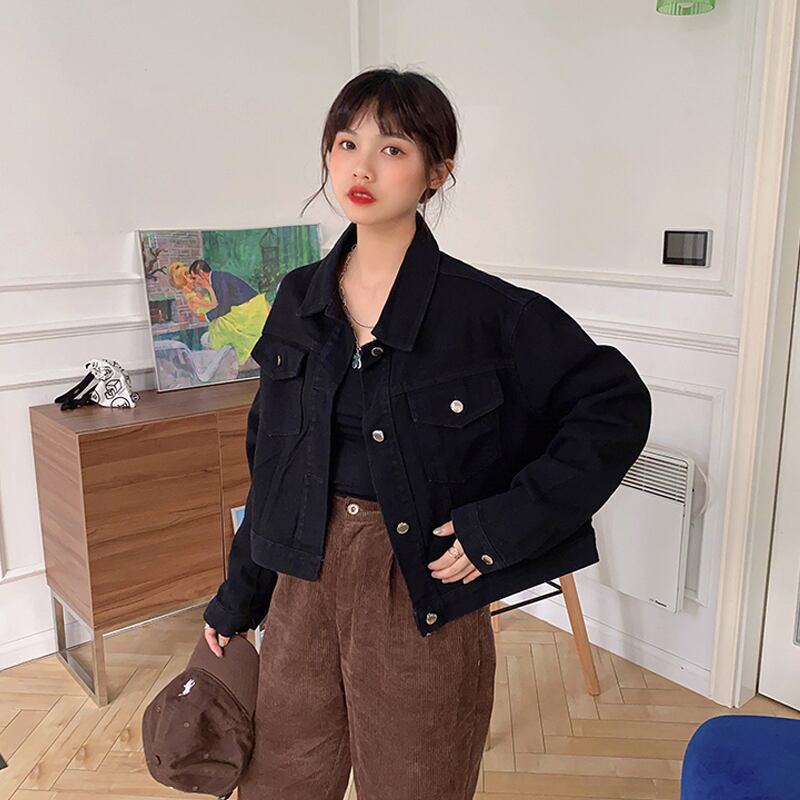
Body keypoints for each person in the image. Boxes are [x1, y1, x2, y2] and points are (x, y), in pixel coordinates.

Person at [203, 67, 652, 800]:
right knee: (281, 782)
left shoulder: (488, 313)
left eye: (392, 149)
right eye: (346, 143)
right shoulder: (297, 296)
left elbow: (613, 406)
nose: (361, 167)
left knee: (416, 785)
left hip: (417, 584)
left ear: (436, 172)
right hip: (299, 578)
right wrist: (238, 594)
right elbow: (273, 458)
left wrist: (498, 529)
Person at [187, 259, 269, 364]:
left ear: (202, 273)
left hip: (249, 308)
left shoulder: (219, 279)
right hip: (242, 306)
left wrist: (206, 317)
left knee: (222, 324)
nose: (195, 282)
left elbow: (224, 306)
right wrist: (207, 288)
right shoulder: (216, 279)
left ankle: (221, 352)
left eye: (195, 278)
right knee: (221, 323)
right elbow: (218, 304)